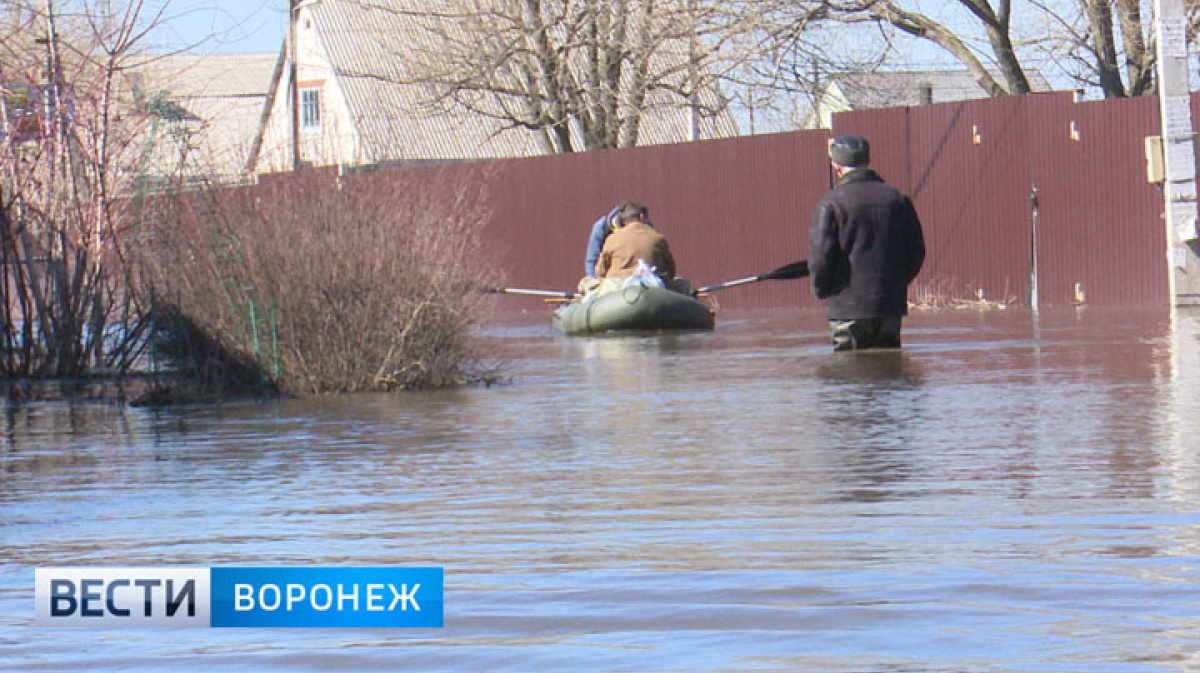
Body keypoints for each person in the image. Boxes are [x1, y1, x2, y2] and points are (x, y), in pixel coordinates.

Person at [809, 134, 925, 351]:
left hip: (846, 307)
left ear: (836, 165)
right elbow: (916, 251)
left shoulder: (831, 203)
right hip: (889, 304)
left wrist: (822, 288)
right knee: (889, 372)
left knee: (850, 372)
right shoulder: (897, 199)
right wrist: (896, 282)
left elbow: (821, 257)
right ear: (867, 160)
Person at [594, 202, 676, 285]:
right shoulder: (658, 238)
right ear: (641, 217)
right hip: (652, 287)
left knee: (585, 283)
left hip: (617, 287)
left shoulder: (611, 239)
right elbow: (671, 270)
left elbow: (600, 271)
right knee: (682, 283)